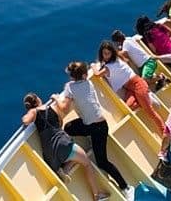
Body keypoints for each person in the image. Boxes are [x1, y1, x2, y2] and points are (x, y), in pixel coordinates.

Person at [53, 61, 134, 201]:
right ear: (85, 75)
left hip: (95, 128)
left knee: (102, 161)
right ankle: (125, 188)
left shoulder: (70, 87)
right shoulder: (88, 83)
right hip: (100, 125)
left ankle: (126, 187)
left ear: (71, 77)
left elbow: (64, 108)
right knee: (70, 127)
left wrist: (55, 98)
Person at [21, 92, 110, 201]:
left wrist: (31, 112)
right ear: (37, 100)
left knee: (75, 157)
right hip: (63, 145)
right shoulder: (50, 108)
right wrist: (56, 99)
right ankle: (97, 195)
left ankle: (64, 169)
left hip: (50, 156)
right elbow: (61, 122)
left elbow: (25, 121)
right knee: (86, 163)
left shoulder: (34, 113)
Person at [93, 41, 166, 136]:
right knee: (129, 107)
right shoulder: (116, 59)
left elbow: (97, 75)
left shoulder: (108, 67)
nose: (106, 56)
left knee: (150, 111)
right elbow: (125, 59)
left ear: (112, 53)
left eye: (108, 53)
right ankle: (145, 99)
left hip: (138, 85)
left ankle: (164, 131)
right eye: (104, 53)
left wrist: (93, 66)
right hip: (130, 89)